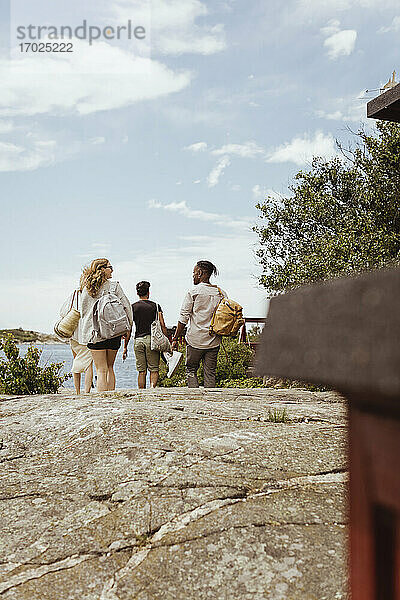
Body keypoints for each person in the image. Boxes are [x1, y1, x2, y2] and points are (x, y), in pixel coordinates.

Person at [171, 260, 227, 388]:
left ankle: (194, 400)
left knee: (191, 370)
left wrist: (175, 338)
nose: (193, 275)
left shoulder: (193, 292)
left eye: (194, 272)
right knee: (210, 373)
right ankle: (210, 402)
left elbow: (183, 319)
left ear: (200, 273)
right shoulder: (221, 293)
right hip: (214, 341)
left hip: (195, 340)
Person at [80, 258, 133, 392]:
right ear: (102, 269)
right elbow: (127, 307)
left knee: (101, 369)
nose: (112, 270)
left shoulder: (88, 288)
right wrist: (128, 327)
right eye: (110, 267)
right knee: (110, 367)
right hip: (113, 331)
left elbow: (84, 312)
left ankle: (102, 401)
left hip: (95, 333)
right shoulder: (115, 286)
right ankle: (111, 398)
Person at [123, 281, 167, 389]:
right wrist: (166, 340)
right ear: (148, 292)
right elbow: (162, 324)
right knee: (154, 369)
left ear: (137, 293)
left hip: (138, 340)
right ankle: (152, 390)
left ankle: (141, 393)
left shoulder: (132, 307)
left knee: (141, 371)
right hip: (152, 340)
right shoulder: (156, 306)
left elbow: (129, 328)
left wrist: (125, 346)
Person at [59, 281, 93, 395]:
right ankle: (87, 391)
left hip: (73, 334)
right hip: (87, 334)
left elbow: (63, 311)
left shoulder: (75, 294)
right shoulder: (92, 294)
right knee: (88, 364)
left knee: (76, 360)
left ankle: (77, 391)